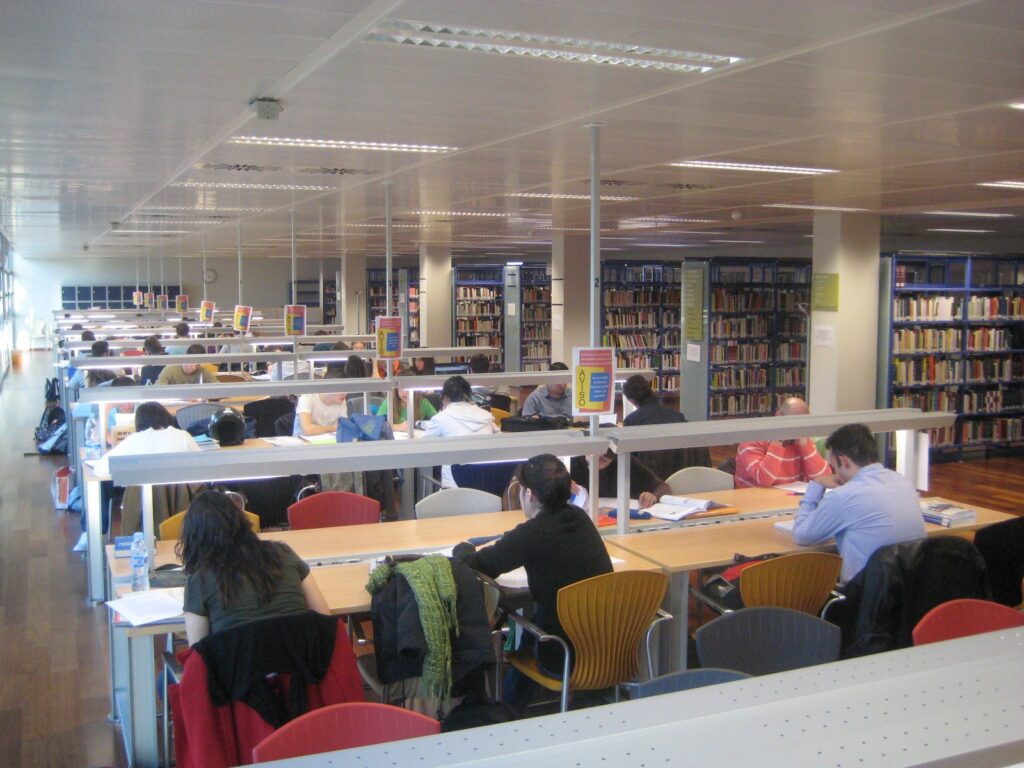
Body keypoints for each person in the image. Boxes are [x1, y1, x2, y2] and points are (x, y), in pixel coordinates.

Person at [453, 454, 612, 710]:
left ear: (528, 495)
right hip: (609, 648)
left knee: (531, 626)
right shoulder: (581, 519)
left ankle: (507, 711)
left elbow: (477, 564)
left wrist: (462, 547)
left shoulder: (532, 533)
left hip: (564, 656)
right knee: (537, 622)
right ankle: (511, 708)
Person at [178, 490, 329, 644]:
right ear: (241, 521)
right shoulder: (283, 553)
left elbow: (198, 650)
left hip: (238, 660)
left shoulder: (200, 581)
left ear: (194, 539)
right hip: (302, 657)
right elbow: (324, 619)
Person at [793, 423, 925, 584]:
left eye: (834, 467)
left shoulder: (843, 496)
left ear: (844, 461)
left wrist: (816, 484)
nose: (835, 474)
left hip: (864, 593)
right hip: (908, 590)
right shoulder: (903, 482)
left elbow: (802, 535)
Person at [621, 374, 710, 479]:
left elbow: (630, 460)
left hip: (651, 479)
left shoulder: (631, 421)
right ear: (650, 391)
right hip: (681, 474)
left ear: (632, 401)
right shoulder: (678, 416)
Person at [734, 397, 829, 488]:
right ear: (779, 417)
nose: (797, 430)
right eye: (794, 423)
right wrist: (778, 441)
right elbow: (764, 479)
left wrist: (806, 446)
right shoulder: (753, 437)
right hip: (753, 496)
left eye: (803, 424)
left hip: (787, 496)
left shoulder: (801, 441)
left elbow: (824, 479)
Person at [422, 375, 498, 487]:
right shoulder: (486, 416)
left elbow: (423, 448)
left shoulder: (441, 418)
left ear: (445, 398)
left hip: (454, 487)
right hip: (486, 484)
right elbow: (499, 440)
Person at [569, 448, 670, 509]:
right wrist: (564, 487)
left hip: (618, 517)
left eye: (603, 460)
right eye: (591, 456)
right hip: (583, 516)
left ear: (612, 459)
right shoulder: (571, 462)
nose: (595, 462)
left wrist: (654, 496)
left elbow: (662, 486)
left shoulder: (624, 462)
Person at [377, 364, 437, 429]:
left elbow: (439, 421)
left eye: (408, 388)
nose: (405, 392)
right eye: (402, 388)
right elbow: (376, 425)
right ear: (396, 389)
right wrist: (397, 427)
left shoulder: (423, 402)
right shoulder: (388, 403)